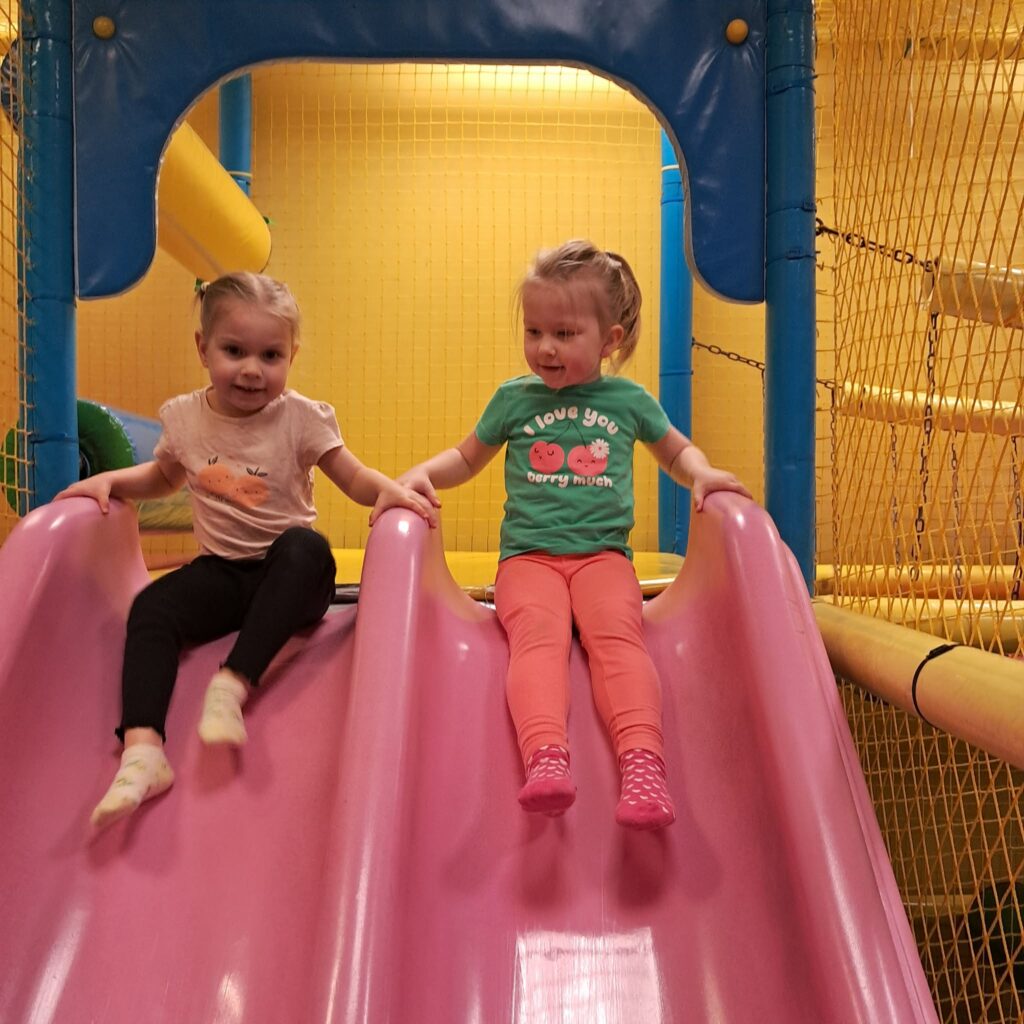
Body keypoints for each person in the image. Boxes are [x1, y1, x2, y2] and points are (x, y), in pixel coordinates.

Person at [57, 271, 436, 830]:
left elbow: (351, 476)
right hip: (223, 574)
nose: (253, 370)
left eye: (271, 355)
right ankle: (143, 751)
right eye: (234, 351)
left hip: (291, 579)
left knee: (306, 547)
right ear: (203, 348)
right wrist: (111, 480)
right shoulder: (185, 417)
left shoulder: (301, 417)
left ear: (291, 356)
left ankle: (233, 684)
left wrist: (390, 491)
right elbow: (164, 477)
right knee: (152, 609)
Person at [400, 240, 750, 830]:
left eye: (564, 334)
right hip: (528, 559)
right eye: (534, 331)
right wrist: (420, 475)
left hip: (603, 558)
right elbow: (466, 458)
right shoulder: (514, 399)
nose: (545, 347)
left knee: (618, 640)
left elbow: (674, 451)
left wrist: (703, 474)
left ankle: (643, 765)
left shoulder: (627, 400)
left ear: (609, 339)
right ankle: (545, 757)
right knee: (537, 641)